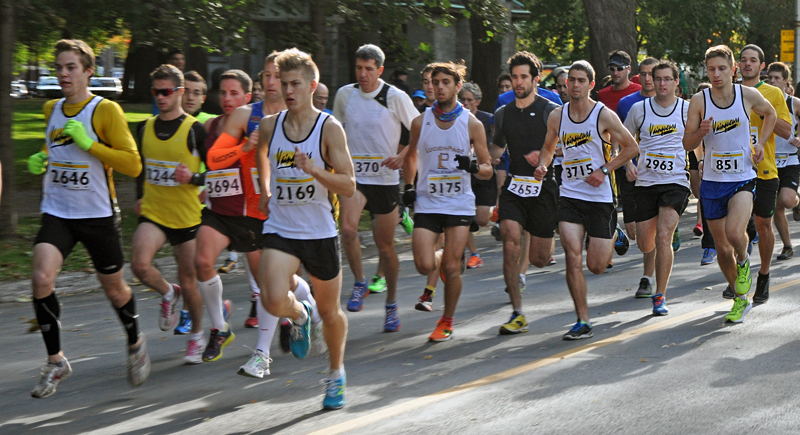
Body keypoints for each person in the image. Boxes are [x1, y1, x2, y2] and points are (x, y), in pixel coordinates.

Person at [27, 39, 147, 398]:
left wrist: (90, 144)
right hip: (59, 210)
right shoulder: (51, 108)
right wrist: (42, 156)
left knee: (114, 288)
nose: (63, 74)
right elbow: (56, 145)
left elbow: (132, 163)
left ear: (88, 71)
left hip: (96, 213)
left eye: (71, 68)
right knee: (40, 276)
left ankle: (135, 341)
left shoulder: (105, 110)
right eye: (59, 67)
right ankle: (56, 361)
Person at [256, 48, 355, 410]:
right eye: (283, 84)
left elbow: (348, 186)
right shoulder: (270, 125)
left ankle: (336, 373)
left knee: (331, 313)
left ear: (312, 85)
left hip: (319, 231)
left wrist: (316, 171)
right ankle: (299, 313)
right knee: (270, 297)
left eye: (295, 83)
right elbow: (261, 156)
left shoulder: (329, 128)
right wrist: (266, 189)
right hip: (281, 227)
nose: (287, 90)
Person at [535, 60, 637, 340]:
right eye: (572, 80)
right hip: (570, 194)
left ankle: (612, 233)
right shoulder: (558, 116)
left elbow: (631, 147)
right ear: (566, 84)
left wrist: (604, 170)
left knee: (596, 266)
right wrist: (544, 165)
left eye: (581, 80)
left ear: (591, 85)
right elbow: (548, 147)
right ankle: (583, 320)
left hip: (601, 196)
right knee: (571, 256)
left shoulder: (603, 115)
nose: (575, 85)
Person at [683, 45, 777, 323]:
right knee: (722, 248)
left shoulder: (746, 95)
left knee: (736, 235)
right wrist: (699, 133)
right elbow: (687, 143)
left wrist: (759, 143)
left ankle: (745, 262)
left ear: (732, 70)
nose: (716, 74)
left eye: (722, 68)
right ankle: (739, 298)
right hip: (712, 182)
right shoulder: (699, 101)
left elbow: (770, 114)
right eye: (711, 69)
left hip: (743, 179)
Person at [403, 61, 493, 342]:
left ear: (456, 86)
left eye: (445, 82)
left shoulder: (472, 123)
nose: (438, 87)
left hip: (458, 204)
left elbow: (488, 168)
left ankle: (447, 320)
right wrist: (408, 186)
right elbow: (411, 156)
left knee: (453, 269)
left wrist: (473, 166)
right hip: (428, 203)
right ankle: (441, 257)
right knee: (422, 264)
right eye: (435, 82)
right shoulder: (420, 121)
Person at [334, 45, 418, 330]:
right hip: (355, 178)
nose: (363, 74)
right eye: (359, 68)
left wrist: (403, 155)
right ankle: (359, 282)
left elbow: (419, 128)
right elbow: (336, 133)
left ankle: (392, 305)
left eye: (369, 69)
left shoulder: (396, 97)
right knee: (347, 230)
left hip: (384, 180)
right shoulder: (345, 95)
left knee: (385, 247)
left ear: (380, 70)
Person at [131, 64, 208, 363]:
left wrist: (193, 178)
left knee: (190, 282)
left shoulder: (195, 130)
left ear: (180, 92)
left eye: (166, 92)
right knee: (139, 265)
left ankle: (197, 336)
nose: (161, 97)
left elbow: (215, 172)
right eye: (156, 92)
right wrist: (139, 197)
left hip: (186, 216)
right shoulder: (144, 127)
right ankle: (166, 292)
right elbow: (141, 167)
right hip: (154, 211)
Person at [489, 52, 560, 334]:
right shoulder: (503, 113)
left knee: (541, 259)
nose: (518, 82)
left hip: (543, 188)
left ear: (535, 79)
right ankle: (517, 313)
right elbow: (496, 149)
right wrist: (484, 158)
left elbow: (567, 145)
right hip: (515, 186)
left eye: (523, 77)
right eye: (514, 77)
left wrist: (544, 155)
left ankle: (543, 238)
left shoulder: (551, 110)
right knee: (509, 239)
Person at [623, 60, 691, 315]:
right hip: (646, 183)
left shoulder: (686, 109)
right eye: (657, 78)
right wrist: (628, 163)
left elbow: (698, 140)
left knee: (664, 236)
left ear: (676, 82)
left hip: (675, 182)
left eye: (667, 79)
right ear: (650, 81)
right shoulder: (639, 110)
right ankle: (652, 256)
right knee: (644, 243)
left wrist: (702, 162)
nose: (662, 83)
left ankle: (660, 295)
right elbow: (622, 142)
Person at [734, 45, 792, 304]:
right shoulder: (729, 92)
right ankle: (741, 270)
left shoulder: (773, 93)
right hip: (733, 171)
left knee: (762, 224)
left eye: (753, 60)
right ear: (738, 65)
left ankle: (764, 274)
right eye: (743, 60)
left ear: (762, 66)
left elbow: (786, 130)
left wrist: (763, 109)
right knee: (733, 229)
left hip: (764, 169)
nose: (747, 64)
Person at [615, 57, 661, 297]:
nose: (648, 78)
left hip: (665, 177)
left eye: (652, 73)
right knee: (637, 234)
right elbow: (618, 138)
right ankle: (620, 232)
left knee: (659, 230)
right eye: (643, 74)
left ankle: (647, 278)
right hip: (634, 176)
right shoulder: (628, 105)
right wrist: (627, 165)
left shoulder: (673, 104)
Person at [766, 62, 800, 262]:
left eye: (777, 78)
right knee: (776, 206)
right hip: (769, 161)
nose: (772, 81)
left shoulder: (793, 103)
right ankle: (787, 246)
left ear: (786, 81)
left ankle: (797, 201)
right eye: (769, 78)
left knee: (786, 200)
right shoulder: (761, 101)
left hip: (790, 160)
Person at [460, 81, 496, 269]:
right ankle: (474, 254)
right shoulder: (455, 119)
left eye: (469, 100)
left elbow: (497, 141)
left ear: (477, 102)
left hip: (482, 172)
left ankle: (494, 210)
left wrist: (494, 156)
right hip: (463, 174)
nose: (465, 103)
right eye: (462, 99)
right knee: (464, 218)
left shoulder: (487, 119)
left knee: (482, 219)